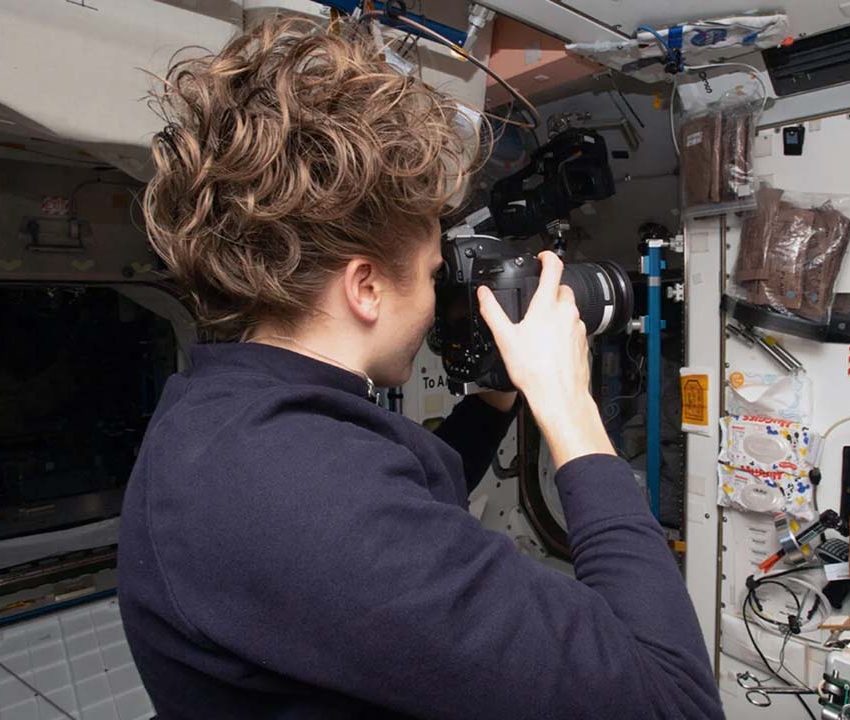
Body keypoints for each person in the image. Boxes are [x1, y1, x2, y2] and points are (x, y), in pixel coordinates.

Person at [118, 16, 723, 720]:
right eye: (434, 275)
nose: (438, 301)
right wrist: (569, 409)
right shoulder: (297, 497)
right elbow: (675, 704)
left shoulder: (234, 418)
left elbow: (400, 496)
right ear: (366, 287)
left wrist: (499, 392)